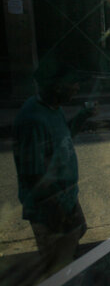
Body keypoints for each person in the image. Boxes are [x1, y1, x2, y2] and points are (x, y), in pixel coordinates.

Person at [12, 57, 97, 279]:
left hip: (66, 203)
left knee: (71, 254)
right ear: (58, 86)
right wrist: (63, 217)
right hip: (51, 212)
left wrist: (83, 115)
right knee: (57, 269)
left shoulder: (54, 109)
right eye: (73, 83)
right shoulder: (32, 120)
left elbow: (63, 137)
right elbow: (35, 179)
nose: (77, 88)